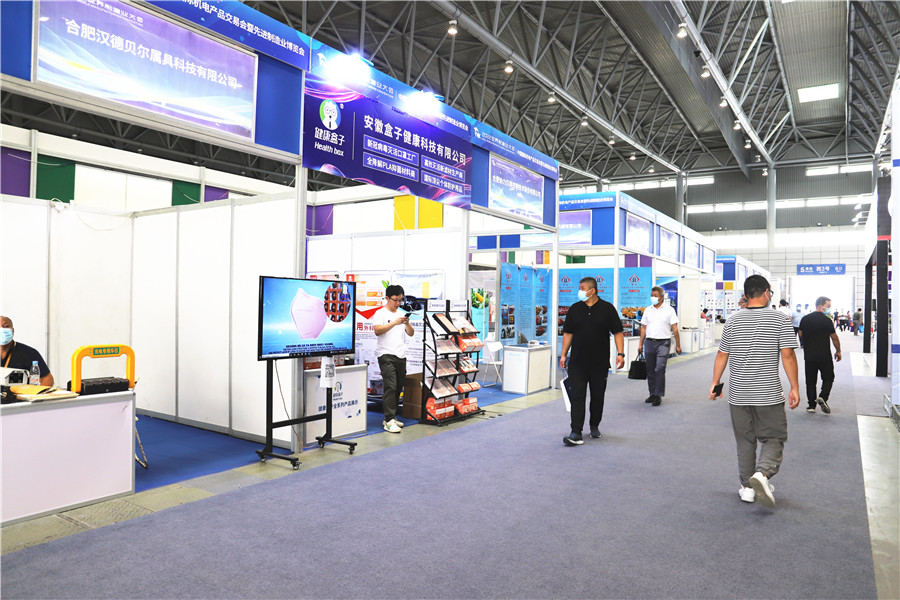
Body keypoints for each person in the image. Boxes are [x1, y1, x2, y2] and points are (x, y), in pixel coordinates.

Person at [709, 275, 800, 508]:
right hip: (768, 393)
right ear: (767, 292)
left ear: (746, 294)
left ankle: (747, 488)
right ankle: (762, 473)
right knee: (774, 436)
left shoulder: (732, 320)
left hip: (738, 394)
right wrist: (795, 387)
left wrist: (715, 382)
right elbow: (788, 355)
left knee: (745, 441)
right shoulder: (780, 319)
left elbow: (722, 355)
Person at [559, 277, 625, 446]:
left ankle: (594, 425)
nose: (579, 291)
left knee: (597, 396)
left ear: (592, 290)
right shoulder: (575, 309)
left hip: (599, 363)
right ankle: (576, 432)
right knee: (577, 396)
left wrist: (621, 353)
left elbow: (617, 332)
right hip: (577, 362)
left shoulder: (607, 309)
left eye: (582, 288)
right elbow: (568, 333)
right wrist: (564, 354)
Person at [372, 285, 414, 433]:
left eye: (400, 300)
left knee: (398, 387)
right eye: (395, 300)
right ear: (387, 298)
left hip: (401, 355)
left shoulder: (402, 313)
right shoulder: (380, 313)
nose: (397, 303)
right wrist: (394, 323)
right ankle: (389, 420)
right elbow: (377, 331)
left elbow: (411, 333)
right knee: (390, 386)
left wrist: (407, 323)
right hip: (385, 354)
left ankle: (391, 417)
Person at [638, 286, 682, 406]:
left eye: (655, 296)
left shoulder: (669, 310)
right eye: (652, 295)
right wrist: (640, 344)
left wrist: (678, 345)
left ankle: (658, 395)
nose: (653, 297)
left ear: (662, 297)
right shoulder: (648, 310)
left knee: (659, 368)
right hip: (649, 342)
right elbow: (643, 328)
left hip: (664, 343)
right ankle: (652, 393)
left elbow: (675, 328)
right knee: (650, 369)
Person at [798, 296, 842, 414]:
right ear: (820, 306)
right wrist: (838, 351)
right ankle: (823, 397)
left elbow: (800, 334)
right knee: (828, 378)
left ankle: (811, 406)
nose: (829, 308)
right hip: (824, 355)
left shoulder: (805, 319)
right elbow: (834, 338)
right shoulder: (827, 321)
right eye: (828, 306)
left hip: (809, 356)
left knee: (810, 381)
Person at [0, 315, 54, 387]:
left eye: (6, 326)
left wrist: (35, 393)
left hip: (20, 393)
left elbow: (47, 380)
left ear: (13, 331)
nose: (2, 330)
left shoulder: (29, 353)